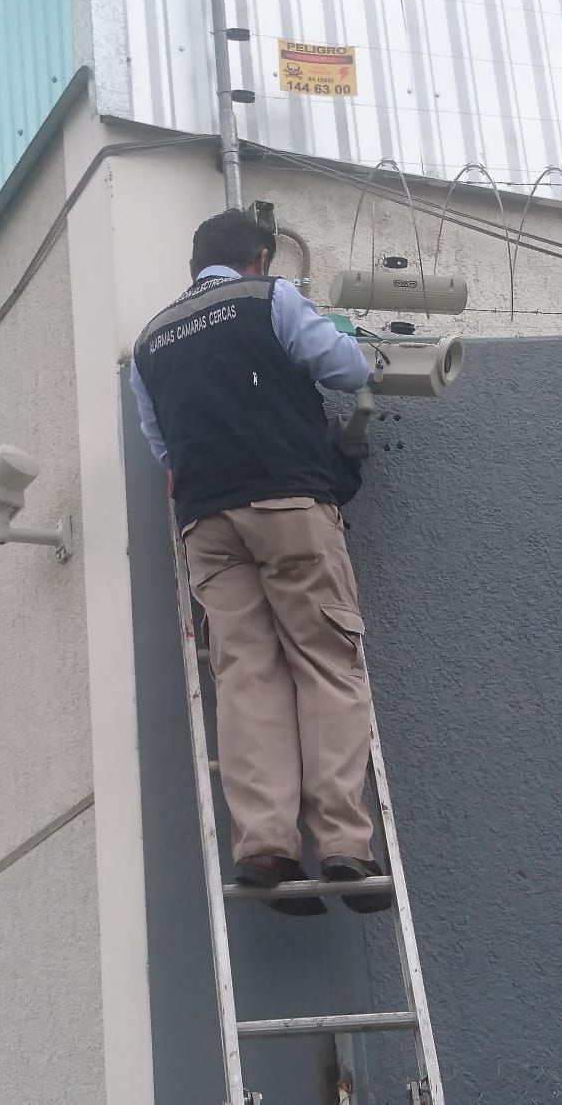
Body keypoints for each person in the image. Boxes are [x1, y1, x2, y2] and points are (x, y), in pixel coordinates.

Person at [131, 208, 390, 915]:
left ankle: (264, 848)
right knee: (325, 661)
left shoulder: (151, 339)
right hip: (287, 502)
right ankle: (341, 841)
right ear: (262, 255)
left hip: (206, 521)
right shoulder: (270, 298)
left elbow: (162, 446)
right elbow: (344, 366)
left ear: (196, 264)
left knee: (246, 675)